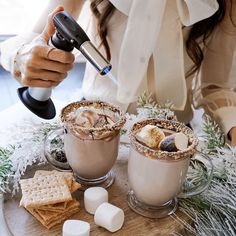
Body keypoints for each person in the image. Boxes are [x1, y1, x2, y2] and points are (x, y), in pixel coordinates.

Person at [0, 0, 236, 145]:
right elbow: (35, 35)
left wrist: (232, 125)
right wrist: (23, 57)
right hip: (90, 127)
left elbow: (217, 87)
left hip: (173, 140)